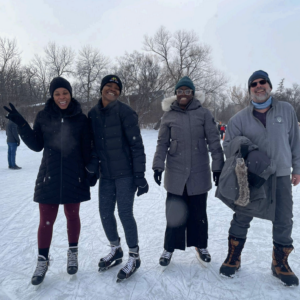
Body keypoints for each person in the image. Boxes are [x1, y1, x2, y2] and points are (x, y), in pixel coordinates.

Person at [3, 77, 91, 285]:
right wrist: (22, 123)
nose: (62, 97)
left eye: (65, 93)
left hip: (74, 176)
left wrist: (90, 170)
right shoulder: (44, 116)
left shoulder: (80, 118)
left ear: (70, 94)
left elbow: (87, 148)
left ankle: (73, 253)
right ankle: (42, 260)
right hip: (48, 176)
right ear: (52, 95)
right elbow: (36, 145)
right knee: (45, 222)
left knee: (72, 217)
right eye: (57, 93)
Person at [217, 70, 300, 287]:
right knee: (242, 215)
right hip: (251, 177)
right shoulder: (238, 119)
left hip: (281, 174)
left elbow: (295, 142)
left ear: (269, 86)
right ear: (249, 90)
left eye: (262, 82)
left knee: (284, 219)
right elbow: (228, 146)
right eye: (253, 84)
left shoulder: (287, 110)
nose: (258, 86)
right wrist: (247, 149)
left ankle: (280, 263)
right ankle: (234, 257)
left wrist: (297, 168)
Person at [152, 76, 224, 267]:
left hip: (199, 173)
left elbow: (214, 142)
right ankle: (169, 248)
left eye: (187, 91)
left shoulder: (204, 114)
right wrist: (158, 165)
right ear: (176, 94)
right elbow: (162, 143)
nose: (183, 94)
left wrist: (218, 166)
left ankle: (201, 245)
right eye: (180, 91)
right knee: (174, 213)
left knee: (198, 213)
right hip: (175, 173)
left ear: (192, 93)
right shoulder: (168, 115)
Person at [88, 75, 148, 282]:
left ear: (120, 92)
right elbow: (93, 146)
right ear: (102, 89)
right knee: (105, 212)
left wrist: (139, 176)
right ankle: (116, 249)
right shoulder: (93, 114)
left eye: (116, 88)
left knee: (124, 213)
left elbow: (136, 146)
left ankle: (134, 256)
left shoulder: (126, 112)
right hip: (106, 175)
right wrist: (92, 170)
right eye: (108, 86)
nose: (112, 90)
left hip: (126, 174)